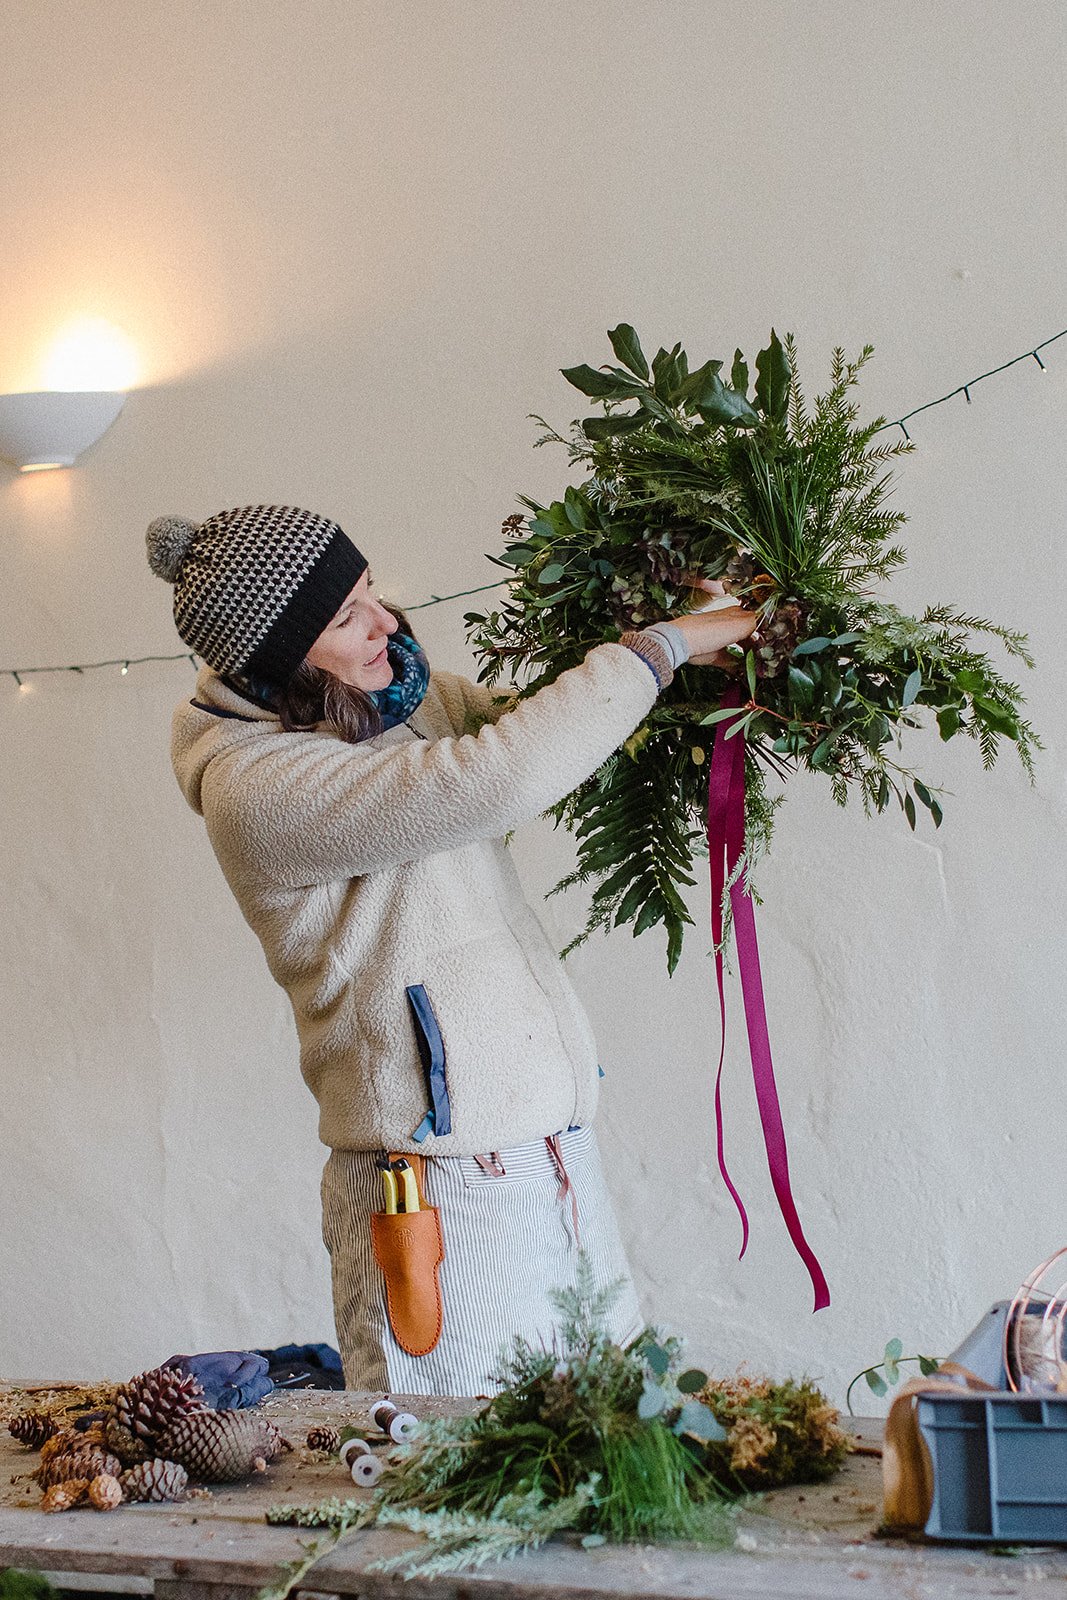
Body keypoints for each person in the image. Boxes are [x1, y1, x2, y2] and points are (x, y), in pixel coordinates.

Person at [149, 503, 757, 1395]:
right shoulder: (258, 787)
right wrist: (656, 648)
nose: (386, 623)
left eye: (369, 592)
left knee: (622, 1446)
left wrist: (692, 657)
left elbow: (537, 727)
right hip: (436, 1191)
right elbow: (496, 777)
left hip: (554, 1154)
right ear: (278, 655)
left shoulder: (387, 701)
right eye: (347, 615)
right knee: (461, 1481)